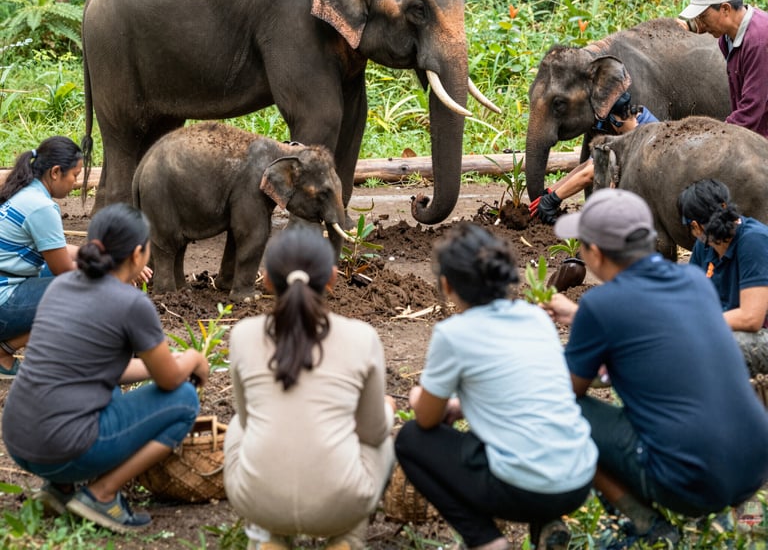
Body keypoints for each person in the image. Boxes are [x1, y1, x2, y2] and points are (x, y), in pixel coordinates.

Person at [546, 189, 768, 547]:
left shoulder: (600, 305)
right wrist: (578, 317)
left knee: (551, 408)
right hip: (756, 465)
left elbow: (565, 394)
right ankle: (744, 516)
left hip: (691, 486)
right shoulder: (694, 281)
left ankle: (641, 521)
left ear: (596, 253)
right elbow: (653, 324)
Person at [1, 203, 209, 533]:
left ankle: (61, 488)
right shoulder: (132, 303)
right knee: (184, 399)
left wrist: (160, 366)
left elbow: (99, 368)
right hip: (63, 446)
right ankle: (102, 494)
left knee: (102, 388)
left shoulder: (61, 285)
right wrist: (194, 360)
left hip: (19, 440)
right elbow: (169, 379)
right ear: (138, 254)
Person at [395, 223, 597, 550]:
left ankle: (486, 540)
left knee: (410, 440)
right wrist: (464, 404)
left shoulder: (453, 333)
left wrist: (420, 397)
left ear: (447, 285)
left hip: (522, 489)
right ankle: (546, 524)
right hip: (578, 480)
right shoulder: (536, 318)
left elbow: (428, 419)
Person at [223, 226, 395, 550]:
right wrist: (387, 410)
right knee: (382, 439)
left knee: (237, 425)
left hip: (259, 500)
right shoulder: (362, 337)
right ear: (331, 278)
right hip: (339, 506)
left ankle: (267, 537)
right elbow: (372, 434)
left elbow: (247, 422)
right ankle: (347, 539)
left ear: (267, 280)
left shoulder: (243, 335)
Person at [0, 136, 84, 378]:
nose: (75, 183)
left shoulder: (25, 192)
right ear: (56, 172)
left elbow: (55, 248)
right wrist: (115, 271)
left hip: (7, 285)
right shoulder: (42, 207)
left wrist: (103, 254)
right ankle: (4, 352)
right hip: (4, 300)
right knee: (84, 289)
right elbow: (65, 272)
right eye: (75, 176)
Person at [678, 178, 768, 376]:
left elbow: (751, 318)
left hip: (760, 333)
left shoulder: (754, 240)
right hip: (726, 327)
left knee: (707, 348)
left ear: (695, 226)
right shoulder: (705, 245)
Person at [530, 92, 658, 224]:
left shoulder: (644, 131)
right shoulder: (619, 127)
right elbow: (586, 166)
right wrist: (550, 192)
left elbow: (590, 174)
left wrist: (554, 199)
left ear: (615, 120)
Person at [679, 0, 768, 137]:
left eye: (703, 16)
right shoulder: (726, 38)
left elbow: (752, 109)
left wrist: (715, 136)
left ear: (725, 9)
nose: (701, 23)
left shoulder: (759, 41)